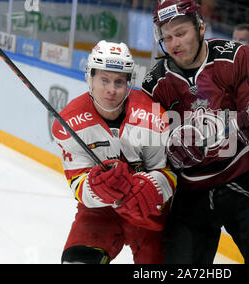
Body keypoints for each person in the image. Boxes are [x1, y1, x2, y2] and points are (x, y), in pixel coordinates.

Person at [143, 0, 249, 264]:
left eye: (180, 33)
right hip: (190, 193)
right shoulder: (154, 84)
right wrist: (170, 153)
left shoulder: (236, 56)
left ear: (201, 28)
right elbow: (148, 150)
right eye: (166, 37)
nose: (174, 43)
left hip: (246, 180)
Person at [52, 41, 176, 264]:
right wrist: (96, 188)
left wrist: (153, 186)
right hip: (100, 212)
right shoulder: (69, 123)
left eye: (119, 82)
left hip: (146, 212)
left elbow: (167, 171)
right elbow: (77, 183)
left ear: (129, 84)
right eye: (104, 80)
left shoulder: (153, 116)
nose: (111, 89)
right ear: (90, 78)